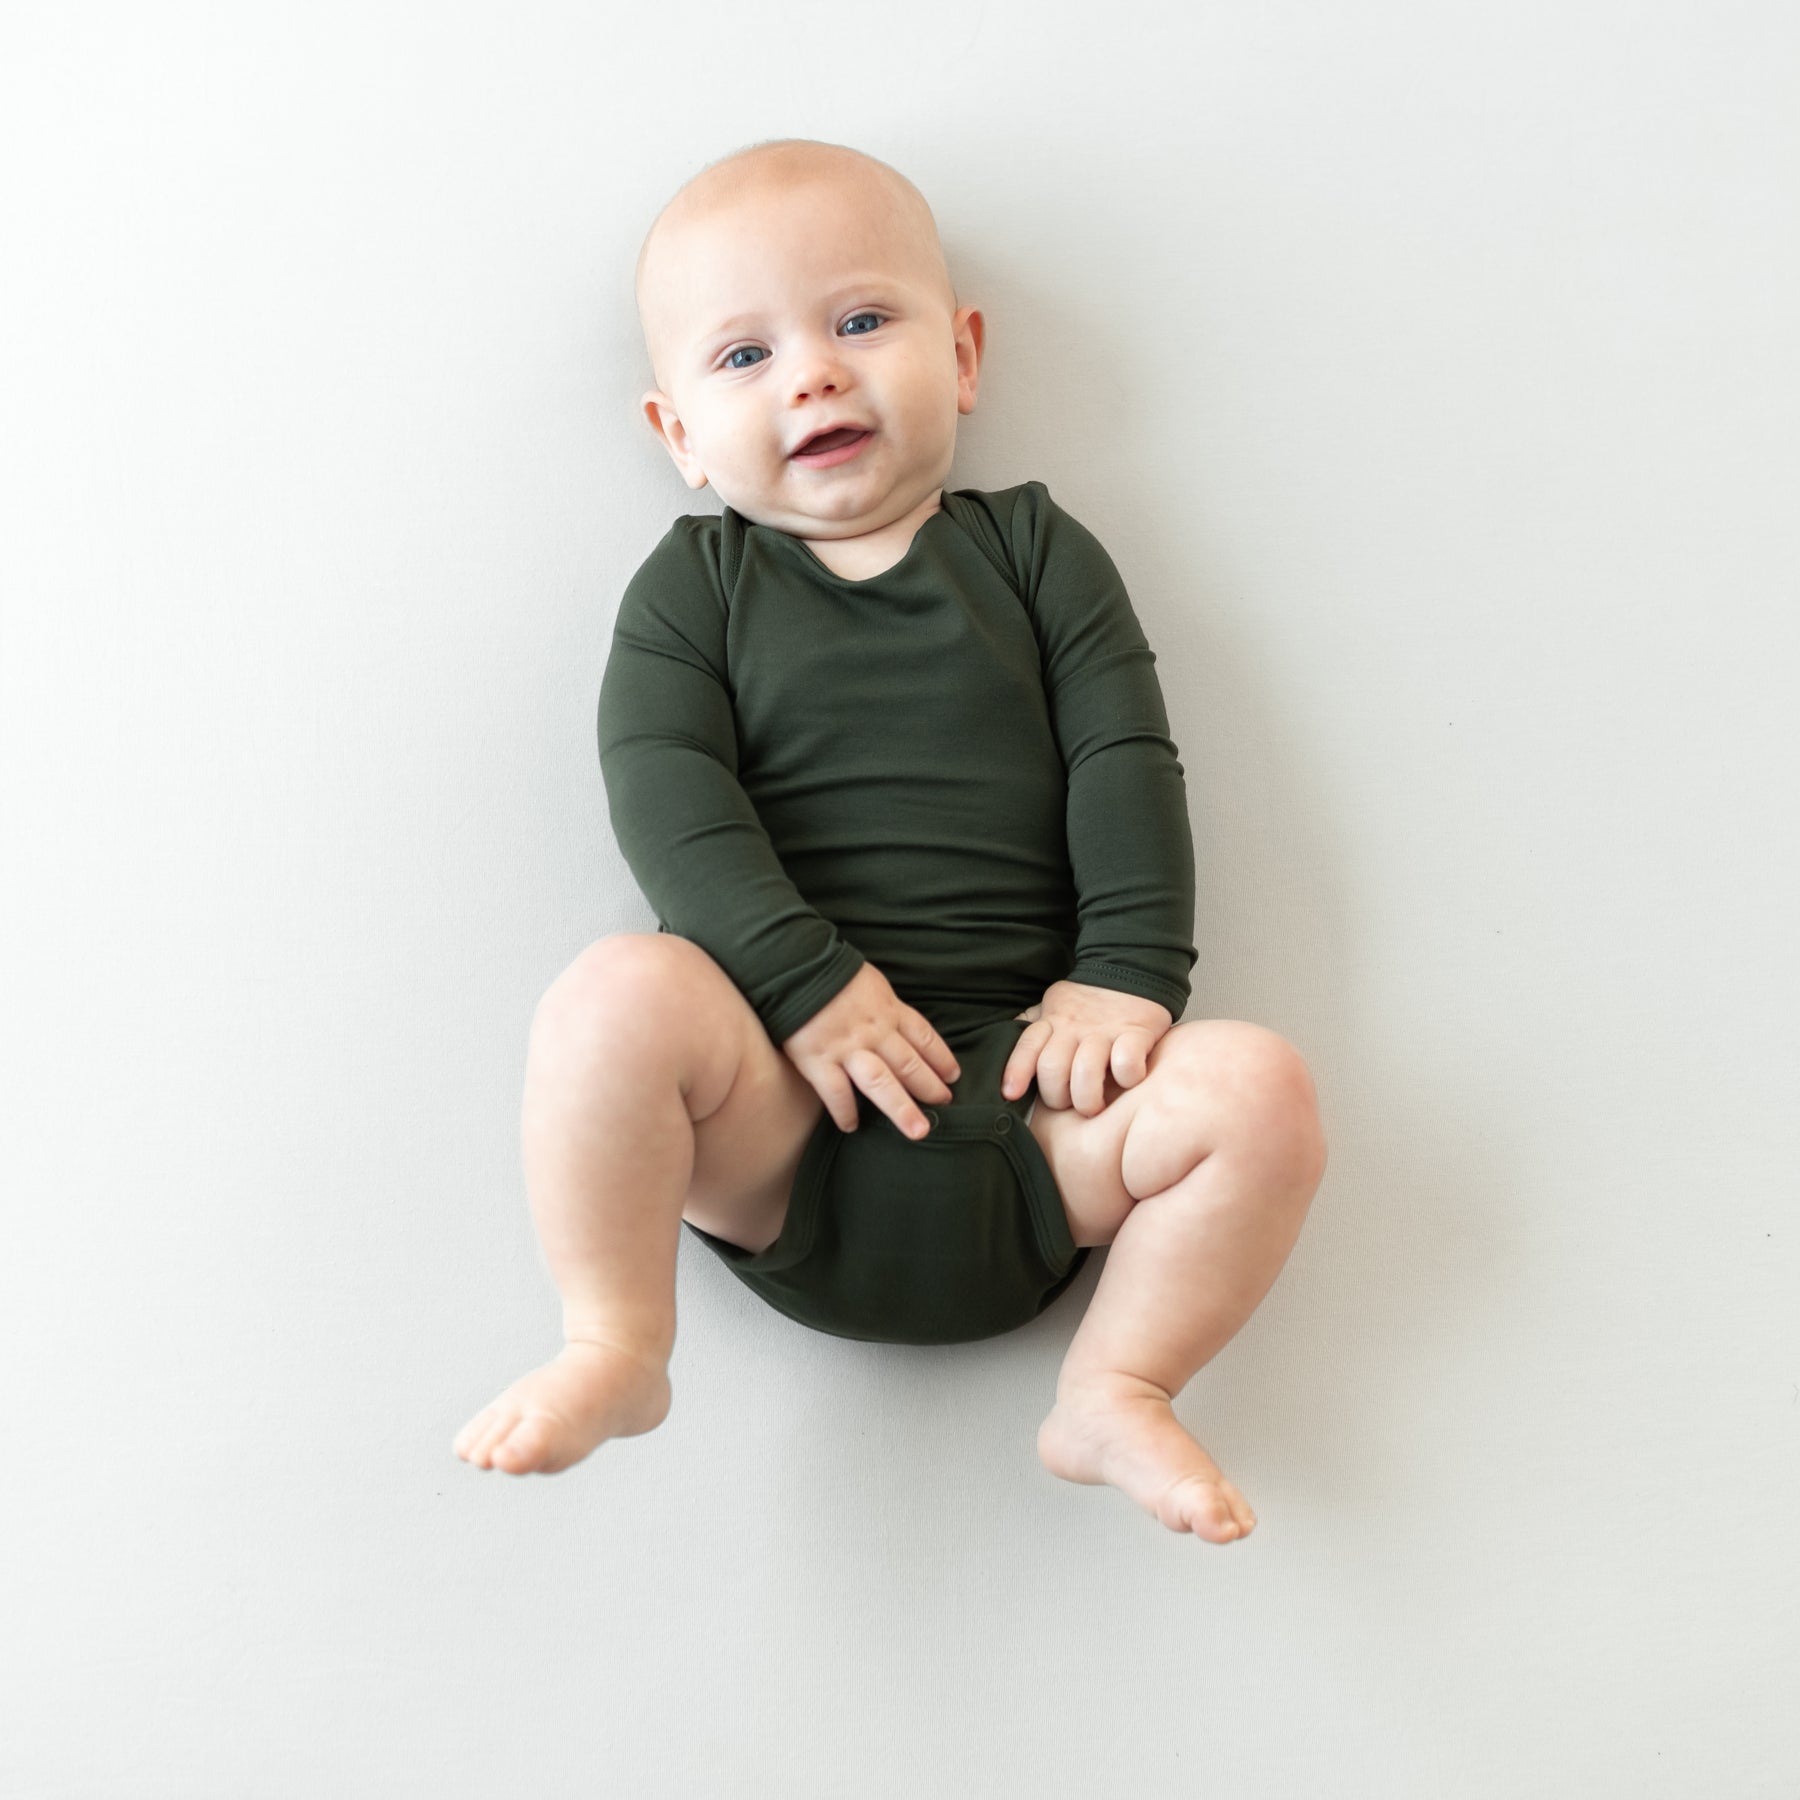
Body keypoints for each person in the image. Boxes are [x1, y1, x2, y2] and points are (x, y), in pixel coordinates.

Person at [453, 138, 1327, 1543]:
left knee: (1259, 1091)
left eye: (860, 321)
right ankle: (615, 1341)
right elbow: (665, 789)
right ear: (675, 432)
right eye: (743, 357)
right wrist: (800, 984)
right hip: (787, 1131)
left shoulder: (1040, 555)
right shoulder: (695, 591)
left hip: (1043, 1122)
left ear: (964, 356)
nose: (812, 373)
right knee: (614, 994)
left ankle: (1118, 1383)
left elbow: (1124, 759)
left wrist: (1131, 975)